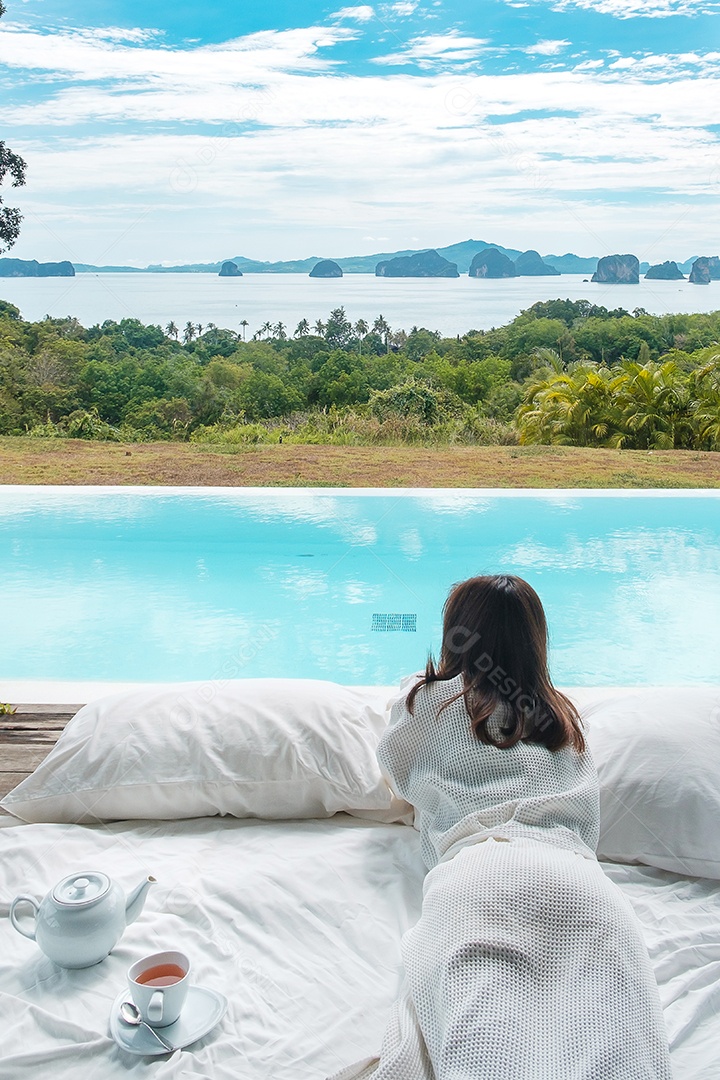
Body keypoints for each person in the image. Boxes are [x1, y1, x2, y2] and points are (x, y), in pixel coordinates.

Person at [329, 575, 672, 1080]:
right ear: (535, 640)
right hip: (583, 891)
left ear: (456, 634)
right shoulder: (562, 718)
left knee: (485, 1049)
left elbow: (398, 771)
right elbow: (589, 819)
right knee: (619, 1053)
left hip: (482, 876)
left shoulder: (430, 701)